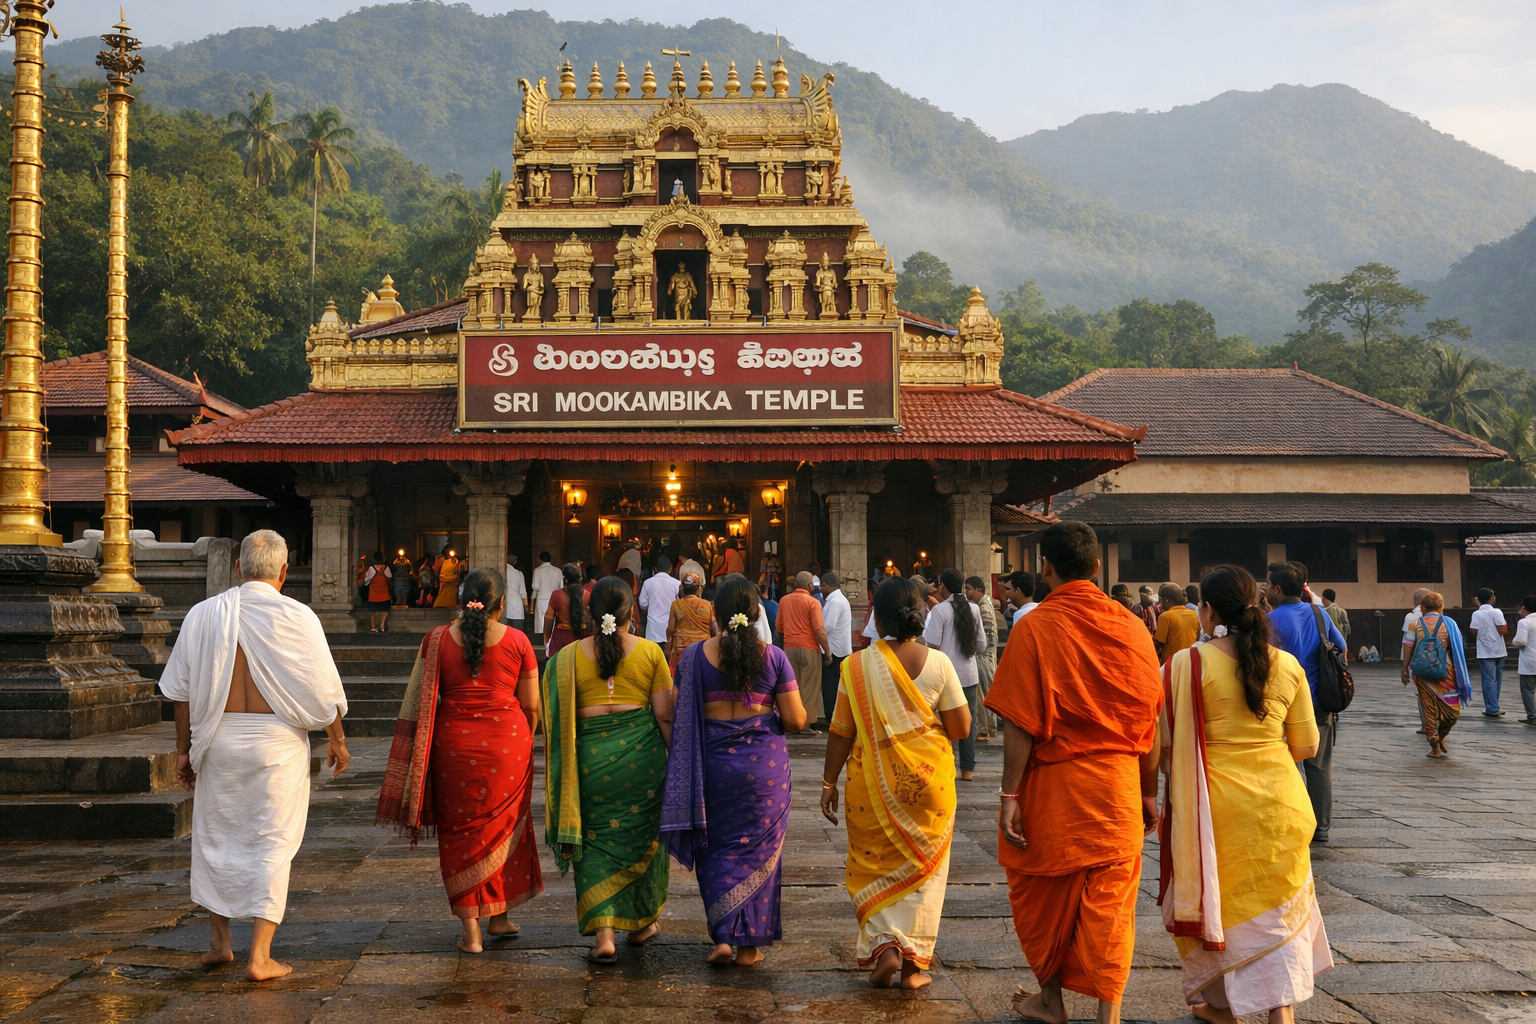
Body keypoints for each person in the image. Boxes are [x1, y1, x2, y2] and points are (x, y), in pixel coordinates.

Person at [984, 520, 1163, 1024]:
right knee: (1112, 906)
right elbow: (1150, 718)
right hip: (1119, 787)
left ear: (1046, 566)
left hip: (1057, 787)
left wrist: (1009, 796)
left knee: (1040, 892)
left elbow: (1020, 721)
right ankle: (1110, 1015)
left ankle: (1051, 999)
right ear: (1097, 567)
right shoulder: (1130, 626)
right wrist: (1150, 794)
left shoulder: (1035, 625)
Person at [161, 530, 349, 982]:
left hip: (218, 739)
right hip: (277, 745)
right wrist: (337, 740)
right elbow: (323, 691)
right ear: (285, 572)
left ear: (238, 569)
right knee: (271, 843)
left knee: (215, 840)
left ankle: (220, 943)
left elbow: (180, 695)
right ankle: (259, 957)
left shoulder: (205, 615)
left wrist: (183, 753)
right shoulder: (299, 616)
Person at [1161, 565, 1332, 1024]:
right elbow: (1307, 746)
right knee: (1279, 912)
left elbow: (1163, 745)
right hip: (1282, 804)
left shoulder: (1186, 664)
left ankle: (1221, 1006)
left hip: (1215, 808)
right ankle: (1281, 1013)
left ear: (1209, 609)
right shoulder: (1288, 665)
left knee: (1224, 907)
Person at [375, 568, 543, 952]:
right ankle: (499, 916)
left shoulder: (435, 639)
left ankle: (475, 931)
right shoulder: (518, 640)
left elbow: (422, 698)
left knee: (458, 835)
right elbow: (532, 706)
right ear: (501, 604)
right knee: (505, 829)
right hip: (507, 748)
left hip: (452, 749)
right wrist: (522, 738)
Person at [820, 576, 972, 990]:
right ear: (921, 612)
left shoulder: (855, 666)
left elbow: (840, 731)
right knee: (925, 871)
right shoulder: (938, 663)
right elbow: (960, 726)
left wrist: (828, 782)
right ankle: (913, 967)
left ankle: (885, 947)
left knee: (873, 865)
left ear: (876, 618)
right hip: (930, 786)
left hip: (871, 785)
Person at [662, 575, 808, 966]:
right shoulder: (774, 657)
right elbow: (795, 719)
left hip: (711, 768)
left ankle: (723, 936)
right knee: (760, 852)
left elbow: (678, 710)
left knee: (715, 849)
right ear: (758, 612)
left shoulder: (693, 657)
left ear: (716, 614)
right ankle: (749, 946)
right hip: (764, 770)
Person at [541, 576, 675, 963]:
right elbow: (665, 716)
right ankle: (642, 924)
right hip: (643, 762)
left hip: (589, 762)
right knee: (642, 835)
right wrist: (677, 766)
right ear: (632, 612)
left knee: (595, 840)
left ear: (588, 611)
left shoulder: (565, 659)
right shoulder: (651, 652)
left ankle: (604, 935)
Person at [1264, 562, 1346, 845]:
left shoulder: (1270, 620)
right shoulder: (1319, 613)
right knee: (1319, 766)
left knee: (1282, 765)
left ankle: (1291, 820)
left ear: (1276, 588)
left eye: (1266, 584)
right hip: (1318, 702)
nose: (1264, 588)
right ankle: (1320, 827)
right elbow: (1341, 647)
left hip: (1280, 703)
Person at [925, 568, 987, 783]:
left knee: (943, 721)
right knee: (967, 721)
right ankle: (967, 769)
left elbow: (931, 645)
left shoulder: (940, 611)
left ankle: (947, 763)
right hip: (969, 674)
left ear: (943, 585)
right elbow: (981, 644)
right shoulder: (974, 609)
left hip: (944, 674)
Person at [1401, 591, 1472, 758]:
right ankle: (1438, 741)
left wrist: (1405, 669)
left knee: (1428, 711)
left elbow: (1408, 647)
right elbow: (1458, 646)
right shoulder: (1450, 624)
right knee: (1453, 712)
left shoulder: (1415, 624)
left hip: (1421, 673)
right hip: (1446, 672)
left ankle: (1435, 745)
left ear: (1423, 608)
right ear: (1441, 607)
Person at [778, 571, 831, 727]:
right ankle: (806, 724)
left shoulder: (784, 600)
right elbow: (819, 630)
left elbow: (779, 627)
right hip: (809, 649)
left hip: (789, 649)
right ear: (809, 586)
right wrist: (827, 651)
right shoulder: (813, 602)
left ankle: (792, 721)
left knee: (792, 688)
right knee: (809, 687)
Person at [965, 576, 1000, 743]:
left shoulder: (983, 608)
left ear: (979, 590)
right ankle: (988, 729)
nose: (966, 592)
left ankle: (987, 730)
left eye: (969, 588)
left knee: (984, 694)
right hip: (987, 655)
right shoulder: (983, 605)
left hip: (984, 656)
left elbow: (986, 637)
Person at [820, 570, 853, 729]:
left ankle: (831, 716)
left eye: (822, 586)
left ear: (828, 585)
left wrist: (817, 633)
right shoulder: (839, 599)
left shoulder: (835, 601)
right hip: (839, 648)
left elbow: (827, 626)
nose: (821, 589)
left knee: (830, 684)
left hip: (834, 650)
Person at [1470, 587, 1508, 717]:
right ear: (1491, 598)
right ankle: (1493, 705)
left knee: (1488, 679)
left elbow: (1473, 630)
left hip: (1485, 651)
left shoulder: (1477, 614)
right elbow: (1503, 630)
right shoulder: (1497, 612)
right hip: (1499, 649)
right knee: (1497, 679)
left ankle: (1491, 707)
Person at [666, 572, 716, 669]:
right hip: (702, 649)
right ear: (699, 589)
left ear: (682, 589)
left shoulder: (676, 605)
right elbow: (714, 628)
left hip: (681, 651)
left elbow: (671, 630)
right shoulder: (707, 605)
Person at [543, 563, 589, 657]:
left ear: (565, 580)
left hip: (561, 637)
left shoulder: (557, 595)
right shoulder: (587, 595)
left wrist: (546, 639)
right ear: (580, 579)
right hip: (581, 638)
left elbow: (549, 617)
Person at [1402, 588, 1430, 734]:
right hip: (1439, 662)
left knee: (1421, 694)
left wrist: (1404, 667)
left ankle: (1426, 724)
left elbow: (1407, 645)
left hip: (1418, 662)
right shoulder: (1442, 617)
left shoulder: (1411, 618)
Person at [1153, 582, 1200, 664]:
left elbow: (1159, 644)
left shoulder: (1165, 616)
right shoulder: (1194, 614)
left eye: (1161, 600)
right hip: (1190, 662)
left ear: (1166, 600)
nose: (1160, 603)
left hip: (1171, 664)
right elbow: (1198, 638)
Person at [638, 559, 680, 644]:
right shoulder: (677, 584)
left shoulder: (647, 582)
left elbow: (642, 604)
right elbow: (680, 605)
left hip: (653, 628)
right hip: (670, 627)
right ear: (670, 569)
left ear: (656, 569)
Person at [1509, 595, 1536, 725]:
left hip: (1529, 661)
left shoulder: (1524, 622)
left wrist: (1513, 642)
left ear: (1524, 608)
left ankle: (1532, 715)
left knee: (1527, 689)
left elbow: (1520, 641)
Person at [531, 551, 562, 647]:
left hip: (542, 599)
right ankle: (551, 643)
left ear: (540, 560)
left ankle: (544, 643)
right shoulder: (558, 571)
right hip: (554, 599)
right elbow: (561, 587)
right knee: (553, 621)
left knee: (541, 621)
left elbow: (535, 588)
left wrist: (531, 605)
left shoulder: (538, 570)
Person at [364, 550, 392, 633]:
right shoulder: (386, 568)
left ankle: (373, 626)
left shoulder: (371, 568)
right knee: (385, 610)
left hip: (374, 592)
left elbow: (367, 578)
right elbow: (390, 577)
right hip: (384, 592)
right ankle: (382, 625)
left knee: (371, 611)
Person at [504, 553, 529, 634]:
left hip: (504, 603)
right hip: (516, 605)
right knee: (516, 632)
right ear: (515, 561)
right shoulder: (518, 573)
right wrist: (526, 607)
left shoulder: (501, 571)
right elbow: (523, 593)